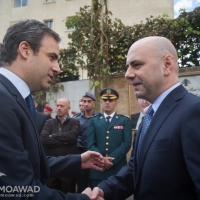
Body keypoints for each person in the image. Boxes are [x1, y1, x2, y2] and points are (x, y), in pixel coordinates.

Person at [0, 19, 104, 200]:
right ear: (25, 50)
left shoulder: (14, 97)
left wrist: (77, 160)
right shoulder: (3, 100)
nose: (58, 68)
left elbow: (28, 162)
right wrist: (83, 199)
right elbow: (17, 191)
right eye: (52, 57)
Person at [91, 36, 200, 200]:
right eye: (128, 66)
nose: (127, 74)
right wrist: (105, 190)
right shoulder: (150, 115)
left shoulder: (194, 111)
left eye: (137, 65)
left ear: (167, 65)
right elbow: (136, 169)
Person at [87, 88, 132, 188]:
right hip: (98, 169)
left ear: (116, 103)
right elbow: (90, 143)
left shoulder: (124, 120)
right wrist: (102, 160)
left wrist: (111, 160)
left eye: (110, 100)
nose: (107, 103)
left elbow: (126, 143)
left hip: (117, 168)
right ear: (101, 102)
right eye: (105, 100)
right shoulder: (94, 121)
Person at [40, 98, 80, 193]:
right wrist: (64, 142)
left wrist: (53, 135)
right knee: (51, 193)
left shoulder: (74, 122)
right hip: (52, 167)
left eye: (62, 106)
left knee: (68, 193)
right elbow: (43, 139)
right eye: (57, 105)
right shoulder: (49, 122)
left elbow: (72, 136)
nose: (58, 108)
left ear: (68, 108)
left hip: (68, 167)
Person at [75, 92, 100, 193]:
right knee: (81, 184)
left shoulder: (100, 117)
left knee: (95, 184)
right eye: (84, 101)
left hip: (95, 155)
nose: (86, 104)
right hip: (81, 154)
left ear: (94, 103)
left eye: (89, 101)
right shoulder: (77, 119)